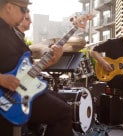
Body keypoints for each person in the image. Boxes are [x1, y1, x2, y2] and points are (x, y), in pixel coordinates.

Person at [0, 0, 73, 136]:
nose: (25, 14)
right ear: (9, 7)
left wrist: (51, 61)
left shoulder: (12, 33)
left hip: (21, 91)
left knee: (62, 100)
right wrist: (1, 79)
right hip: (7, 97)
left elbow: (26, 68)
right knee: (64, 113)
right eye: (23, 9)